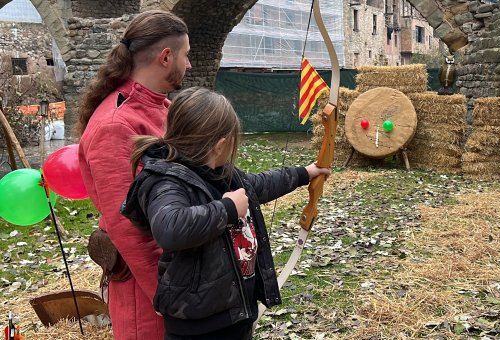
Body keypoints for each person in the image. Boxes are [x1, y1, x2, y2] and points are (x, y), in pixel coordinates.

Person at [119, 87, 331, 339]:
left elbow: (260, 185)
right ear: (221, 145)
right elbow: (170, 228)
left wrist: (304, 174)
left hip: (235, 312)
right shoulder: (167, 180)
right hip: (198, 327)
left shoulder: (221, 174)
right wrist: (228, 209)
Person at [77, 10, 191, 340]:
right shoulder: (115, 125)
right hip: (149, 290)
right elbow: (127, 226)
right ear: (166, 57)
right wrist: (167, 294)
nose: (190, 65)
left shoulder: (163, 107)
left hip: (180, 268)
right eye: (186, 55)